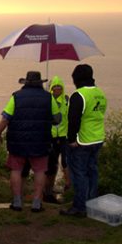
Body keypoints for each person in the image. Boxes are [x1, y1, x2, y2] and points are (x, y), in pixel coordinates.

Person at [0, 71, 56, 212]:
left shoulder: (16, 96)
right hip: (41, 141)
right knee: (40, 171)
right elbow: (57, 119)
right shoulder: (48, 98)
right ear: (40, 83)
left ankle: (17, 202)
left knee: (16, 169)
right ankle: (37, 203)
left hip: (18, 141)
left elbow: (6, 118)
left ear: (25, 83)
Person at [60, 64, 107, 218]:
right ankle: (91, 204)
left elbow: (73, 119)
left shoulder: (78, 95)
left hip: (81, 141)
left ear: (77, 78)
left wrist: (72, 139)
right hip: (97, 139)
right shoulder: (100, 93)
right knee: (92, 172)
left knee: (79, 174)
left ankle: (79, 207)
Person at [44, 75, 71, 203]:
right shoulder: (47, 100)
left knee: (65, 161)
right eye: (55, 87)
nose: (57, 89)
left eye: (59, 87)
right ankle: (49, 187)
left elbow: (70, 116)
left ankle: (68, 185)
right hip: (51, 136)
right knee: (52, 164)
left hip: (63, 136)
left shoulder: (66, 100)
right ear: (51, 88)